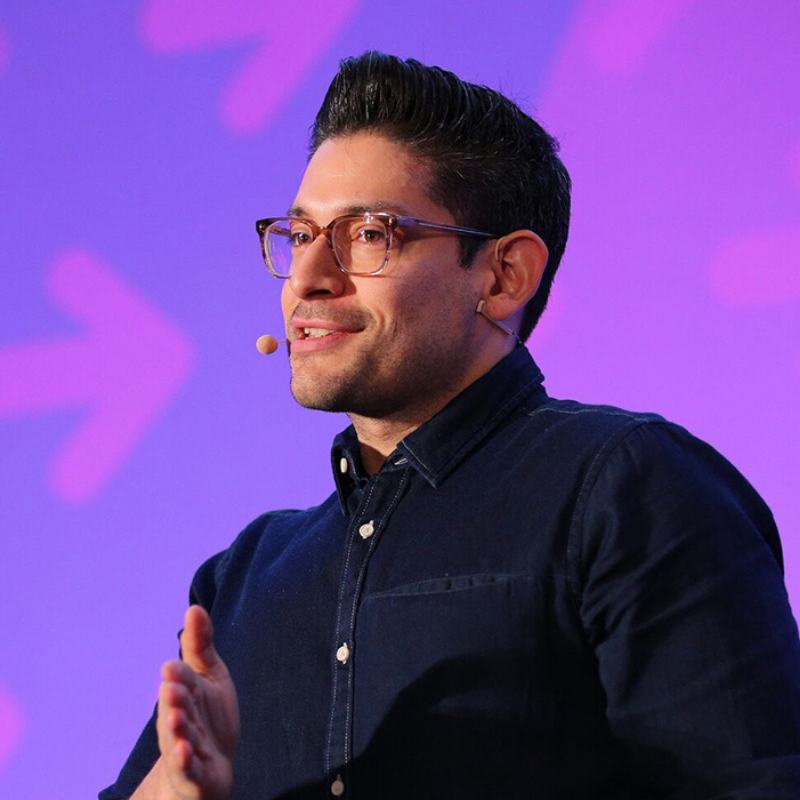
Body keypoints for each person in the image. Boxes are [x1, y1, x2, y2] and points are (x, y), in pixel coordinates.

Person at [100, 52, 800, 800]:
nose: (307, 278)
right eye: (300, 235)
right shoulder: (243, 578)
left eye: (369, 234)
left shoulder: (626, 486)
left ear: (503, 276)